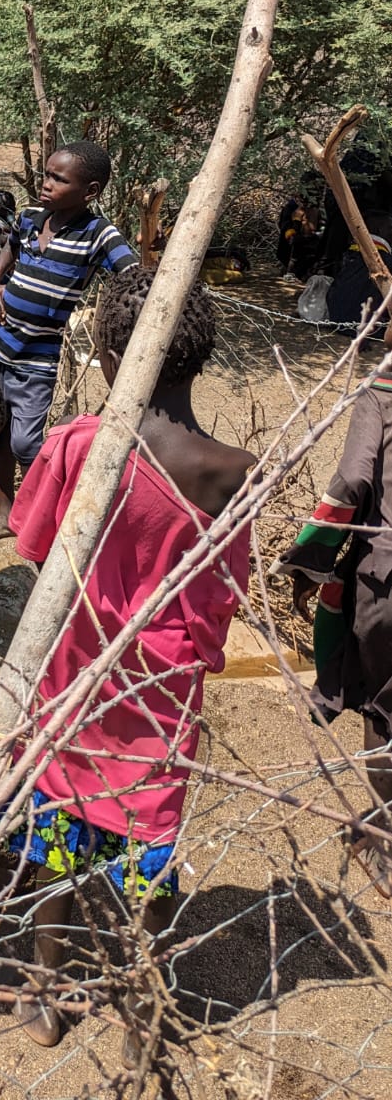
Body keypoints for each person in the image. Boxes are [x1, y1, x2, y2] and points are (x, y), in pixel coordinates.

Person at [0, 266, 253, 1047]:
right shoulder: (230, 469)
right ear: (200, 356)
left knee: (61, 822)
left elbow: (37, 545)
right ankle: (147, 1002)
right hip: (160, 687)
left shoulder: (81, 444)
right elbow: (219, 595)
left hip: (74, 669)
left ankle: (44, 992)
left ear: (111, 352)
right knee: (149, 830)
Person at [278, 338, 392, 894]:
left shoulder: (382, 392)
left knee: (383, 710)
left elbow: (350, 483)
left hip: (385, 586)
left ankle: (381, 837)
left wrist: (309, 561)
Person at [0, 141, 136, 532]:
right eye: (47, 174)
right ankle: (5, 512)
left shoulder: (98, 234)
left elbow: (133, 277)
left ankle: (38, 518)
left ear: (91, 191)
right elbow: (10, 248)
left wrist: (115, 325)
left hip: (37, 357)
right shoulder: (31, 217)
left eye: (58, 179)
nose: (46, 184)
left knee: (26, 443)